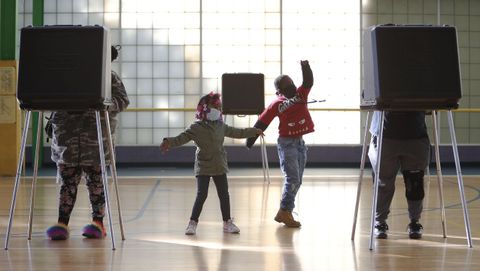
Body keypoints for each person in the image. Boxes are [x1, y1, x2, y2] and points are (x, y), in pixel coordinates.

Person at [46, 45, 130, 240]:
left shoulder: (109, 77)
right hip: (67, 142)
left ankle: (98, 223)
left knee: (96, 183)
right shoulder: (63, 76)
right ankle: (62, 223)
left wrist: (102, 104)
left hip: (95, 141)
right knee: (68, 184)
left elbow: (122, 101)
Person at [160, 92, 262, 235]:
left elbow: (237, 132)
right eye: (214, 106)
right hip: (204, 165)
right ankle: (192, 223)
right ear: (204, 108)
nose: (218, 109)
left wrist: (253, 131)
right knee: (202, 195)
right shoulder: (195, 127)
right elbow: (181, 138)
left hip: (219, 164)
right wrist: (168, 142)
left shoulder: (221, 126)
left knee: (224, 194)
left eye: (219, 107)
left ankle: (227, 222)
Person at [246, 60, 314, 227]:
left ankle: (285, 211)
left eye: (291, 83)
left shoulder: (301, 94)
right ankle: (285, 210)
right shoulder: (277, 104)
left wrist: (305, 67)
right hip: (287, 144)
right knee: (292, 178)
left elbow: (308, 82)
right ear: (279, 91)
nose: (291, 86)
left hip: (300, 143)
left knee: (298, 180)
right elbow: (263, 121)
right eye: (286, 85)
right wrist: (250, 140)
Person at [368, 111, 430, 239]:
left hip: (414, 135)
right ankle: (380, 222)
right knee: (384, 183)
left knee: (414, 182)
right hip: (386, 134)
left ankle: (414, 222)